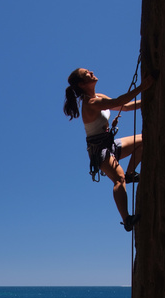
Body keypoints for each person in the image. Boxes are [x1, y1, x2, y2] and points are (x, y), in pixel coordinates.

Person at [63, 68, 153, 231]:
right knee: (119, 179)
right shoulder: (90, 103)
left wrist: (146, 100)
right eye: (86, 74)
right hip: (99, 151)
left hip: (109, 143)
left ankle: (131, 174)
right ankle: (127, 219)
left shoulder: (99, 97)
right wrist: (142, 87)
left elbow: (124, 107)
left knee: (144, 140)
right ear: (83, 84)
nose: (91, 72)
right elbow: (117, 102)